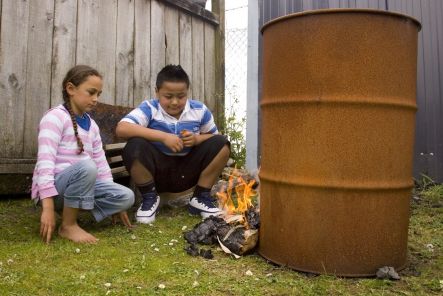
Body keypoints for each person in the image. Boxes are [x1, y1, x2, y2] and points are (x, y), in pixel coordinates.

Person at [31, 65, 135, 244]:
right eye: (91, 92)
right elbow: (44, 163)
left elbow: (102, 164)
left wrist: (116, 205)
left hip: (82, 184)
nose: (95, 99)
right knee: (87, 167)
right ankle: (68, 226)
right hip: (56, 190)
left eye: (98, 94)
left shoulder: (92, 125)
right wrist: (47, 208)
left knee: (127, 196)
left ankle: (73, 211)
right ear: (71, 89)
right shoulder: (54, 118)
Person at [116, 65, 230, 224]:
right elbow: (122, 128)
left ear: (188, 92)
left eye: (181, 96)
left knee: (222, 143)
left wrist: (197, 139)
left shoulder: (199, 110)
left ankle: (200, 198)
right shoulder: (150, 108)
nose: (175, 102)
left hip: (188, 171)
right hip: (158, 173)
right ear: (157, 92)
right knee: (134, 145)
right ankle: (149, 198)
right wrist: (163, 137)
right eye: (168, 96)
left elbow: (213, 136)